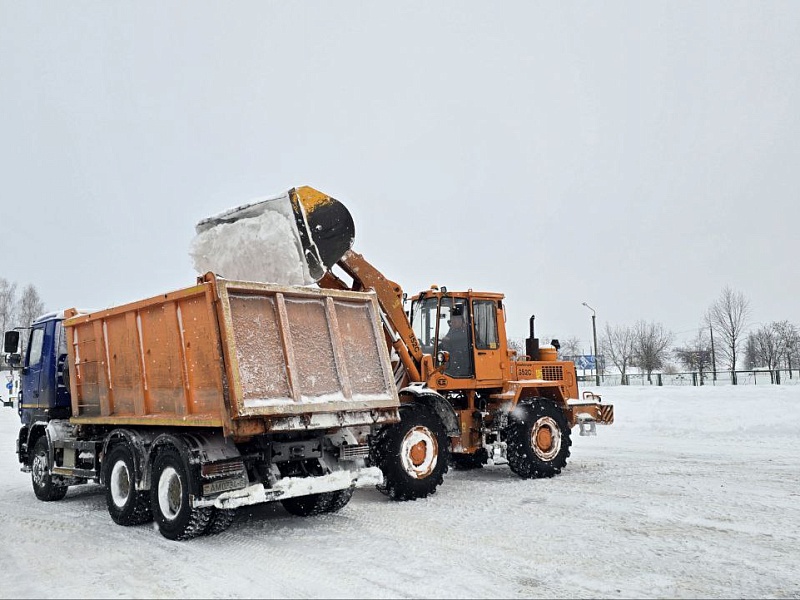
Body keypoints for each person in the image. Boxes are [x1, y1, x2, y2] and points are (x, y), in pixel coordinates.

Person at [440, 310, 471, 377]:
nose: (453, 321)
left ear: (461, 320)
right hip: (454, 354)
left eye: (456, 318)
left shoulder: (466, 330)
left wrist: (448, 340)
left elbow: (458, 339)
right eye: (452, 318)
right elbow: (447, 339)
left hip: (463, 357)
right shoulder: (452, 330)